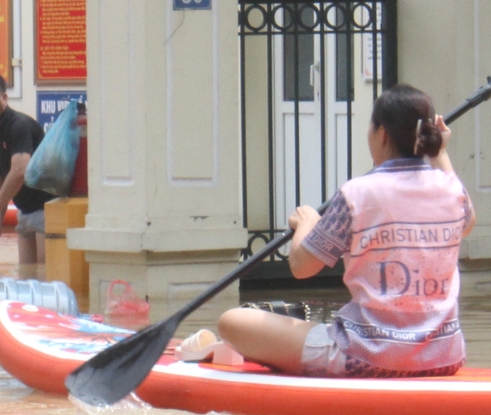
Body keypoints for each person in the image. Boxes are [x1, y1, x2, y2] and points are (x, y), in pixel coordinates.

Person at [193, 83, 474, 378]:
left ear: (382, 135)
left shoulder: (358, 193)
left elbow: (302, 267)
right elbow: (467, 222)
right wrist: (440, 154)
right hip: (445, 356)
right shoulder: (451, 188)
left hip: (365, 357)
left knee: (232, 321)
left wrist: (306, 224)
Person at [0, 70, 52, 269]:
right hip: (25, 212)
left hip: (47, 210)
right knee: (26, 278)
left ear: (4, 97)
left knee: (45, 279)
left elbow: (19, 172)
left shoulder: (19, 125)